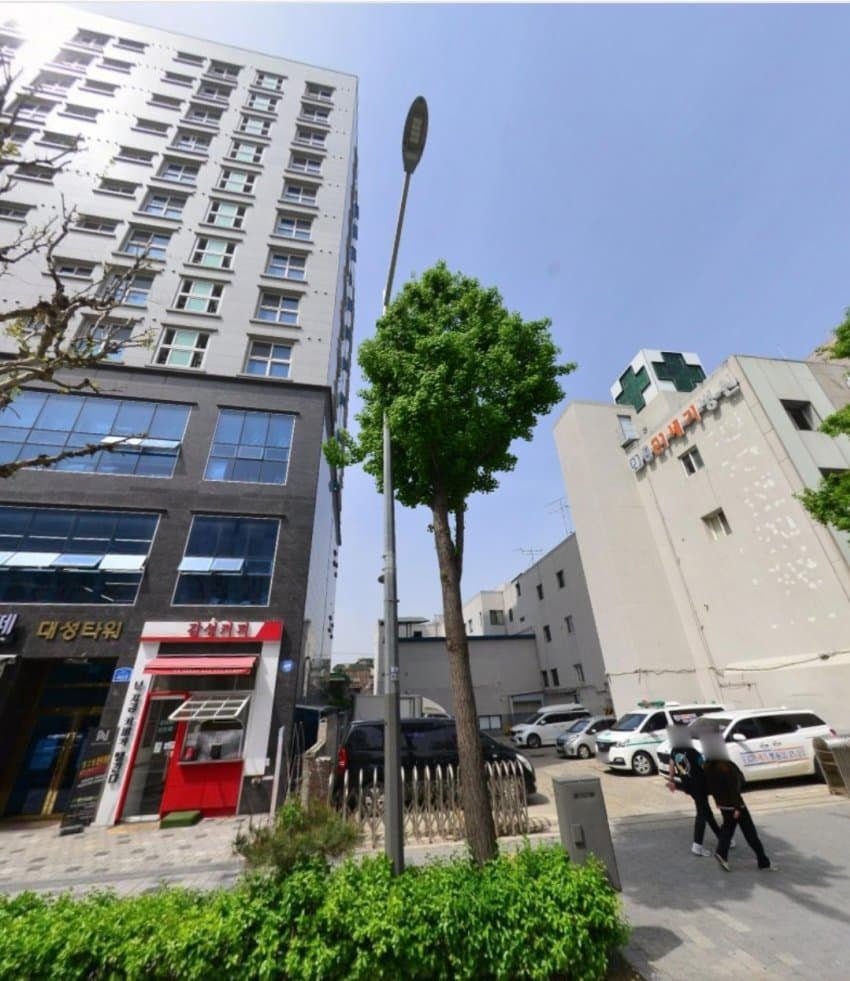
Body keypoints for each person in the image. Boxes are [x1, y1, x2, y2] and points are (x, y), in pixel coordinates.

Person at [701, 730, 773, 872]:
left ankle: (722, 853)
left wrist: (718, 801)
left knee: (728, 829)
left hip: (723, 804)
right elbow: (734, 787)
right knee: (750, 832)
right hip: (736, 805)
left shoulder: (707, 767)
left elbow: (710, 787)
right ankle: (763, 861)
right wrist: (738, 807)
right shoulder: (727, 766)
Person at [666, 724, 726, 857]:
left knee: (706, 811)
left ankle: (722, 837)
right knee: (702, 813)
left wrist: (671, 780)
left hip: (688, 785)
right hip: (699, 785)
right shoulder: (692, 752)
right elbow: (704, 766)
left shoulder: (675, 750)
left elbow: (671, 765)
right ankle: (697, 845)